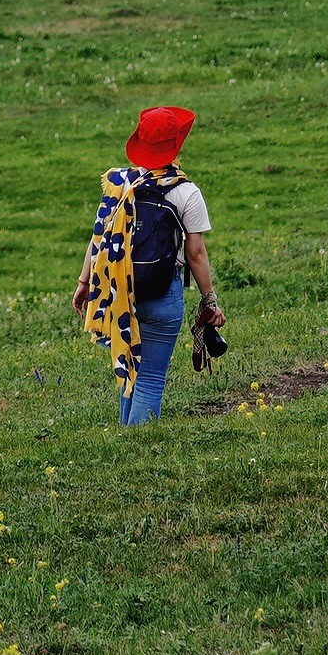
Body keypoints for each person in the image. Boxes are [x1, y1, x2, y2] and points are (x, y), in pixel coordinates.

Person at [74, 105, 222, 427]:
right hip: (162, 292)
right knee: (151, 377)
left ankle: (126, 440)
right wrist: (209, 299)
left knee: (129, 368)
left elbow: (99, 236)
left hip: (118, 293)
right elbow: (195, 253)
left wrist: (84, 282)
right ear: (177, 144)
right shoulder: (186, 191)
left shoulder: (120, 184)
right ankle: (136, 445)